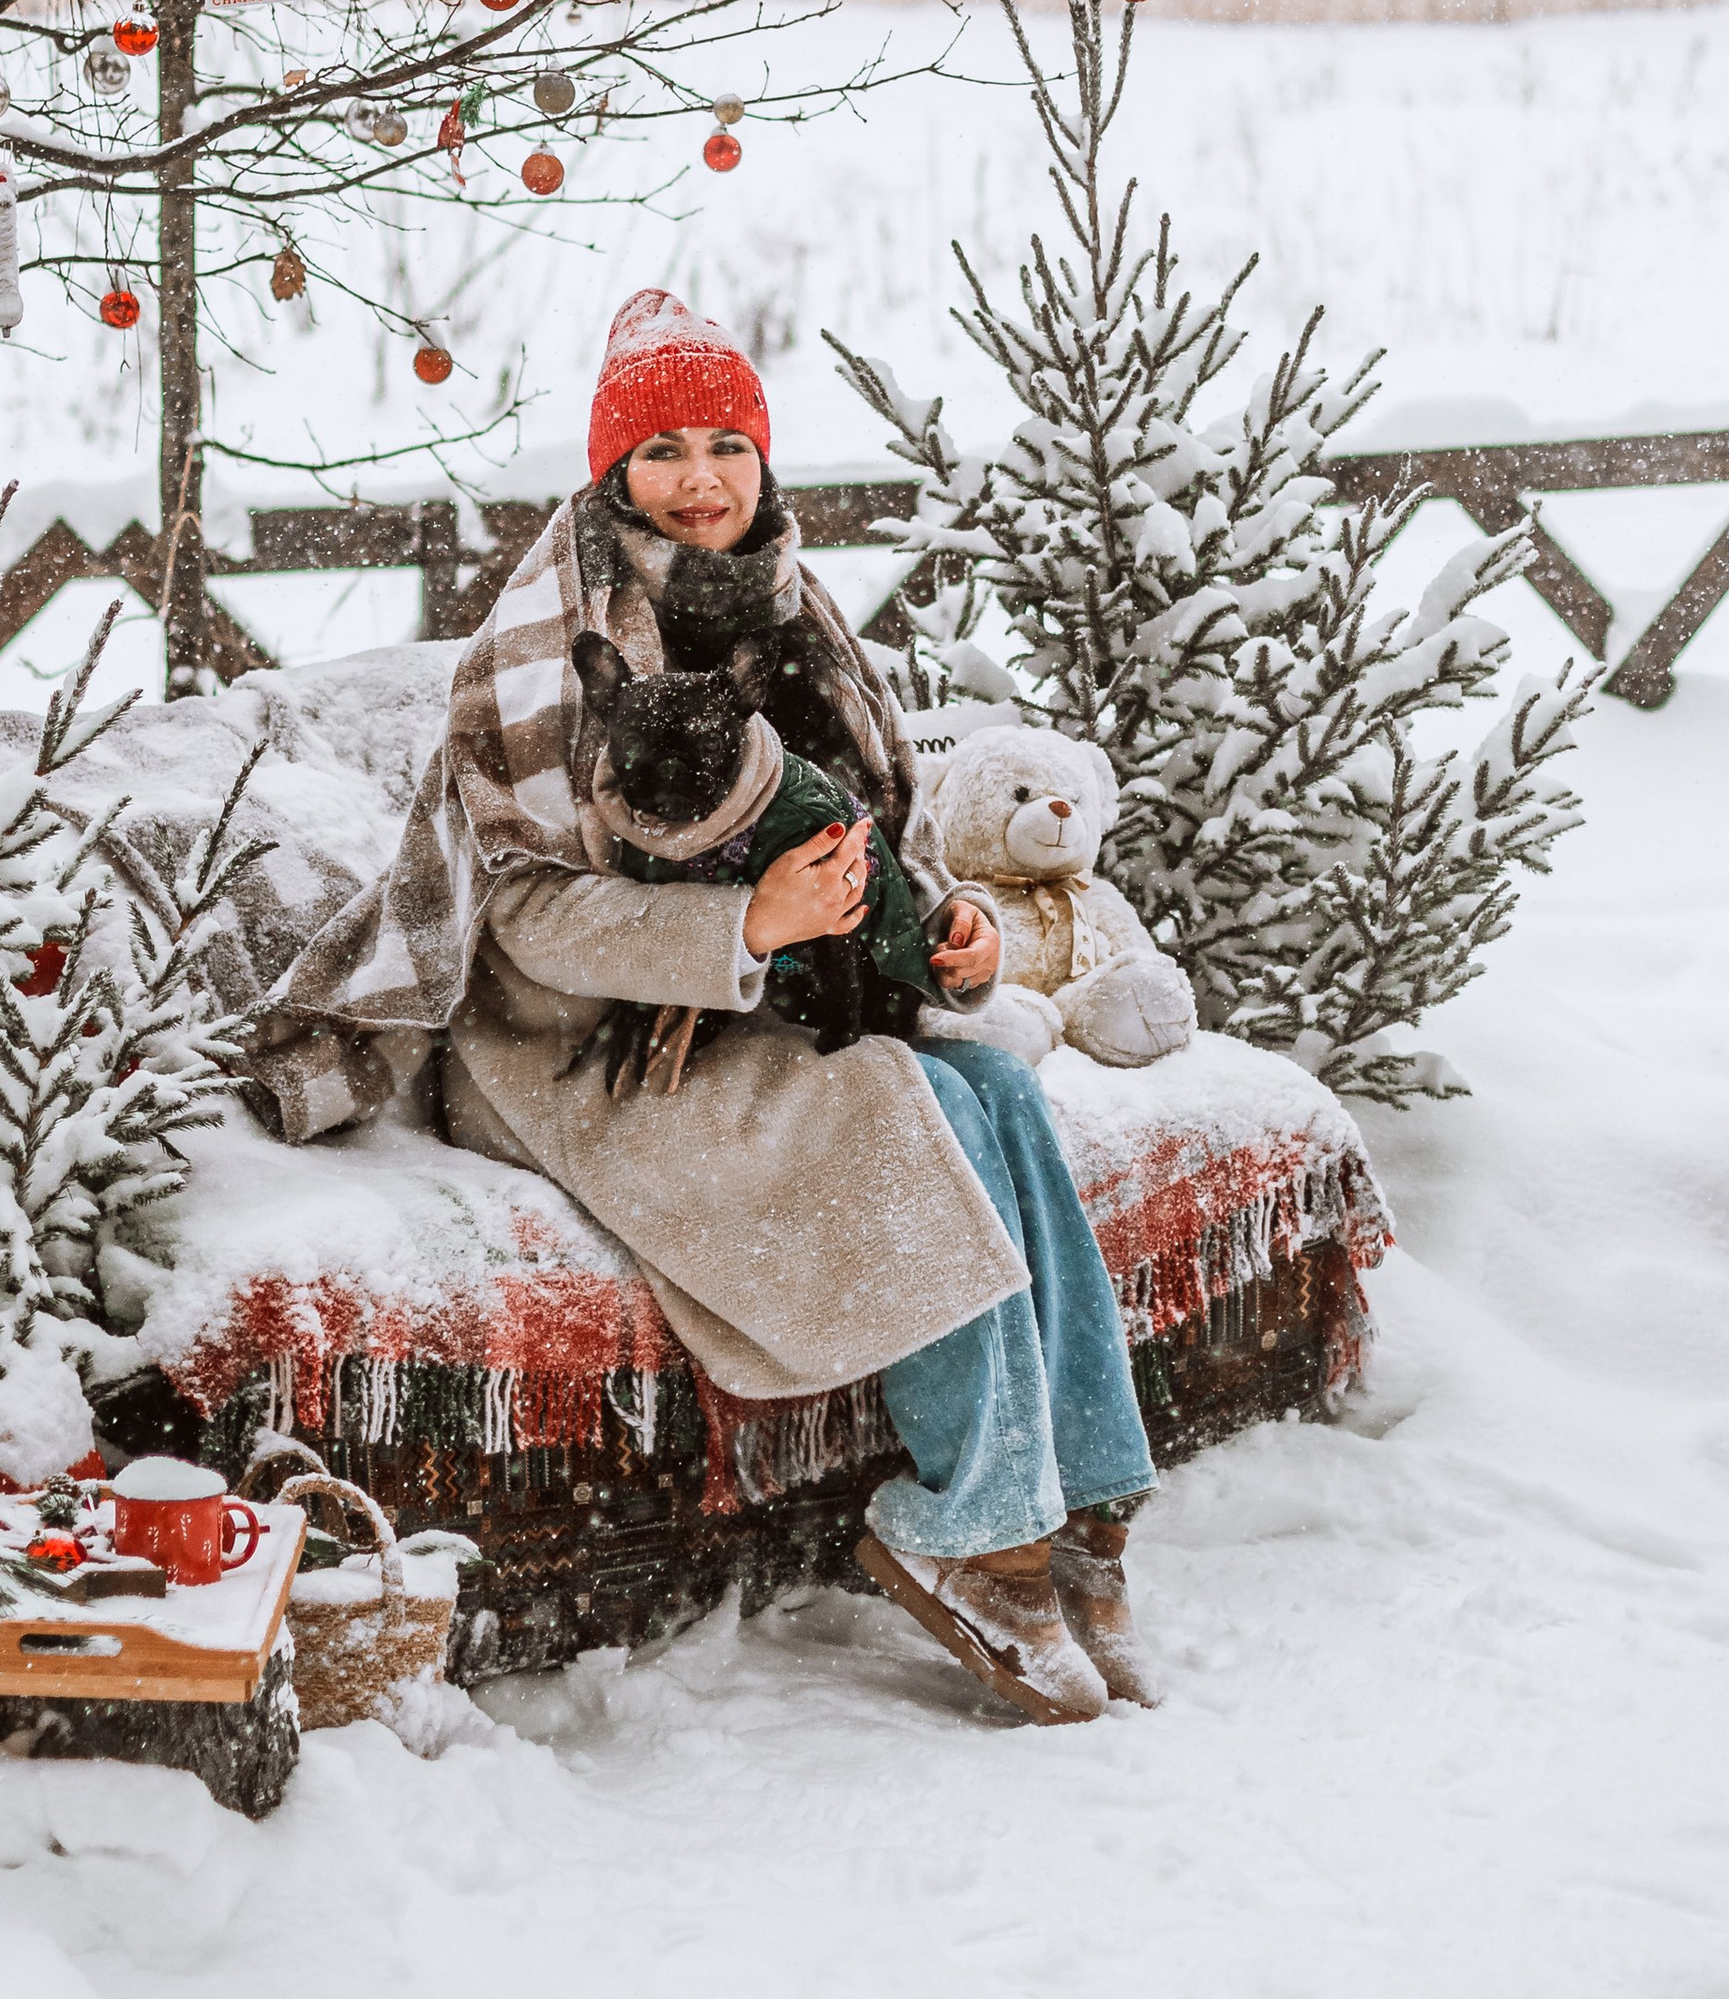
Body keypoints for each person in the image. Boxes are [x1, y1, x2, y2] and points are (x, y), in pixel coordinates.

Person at [249, 290, 1159, 1721]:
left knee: (998, 1085)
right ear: (614, 468)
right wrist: (749, 921)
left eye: (727, 442)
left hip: (746, 994)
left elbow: (855, 820)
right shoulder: (542, 647)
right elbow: (534, 914)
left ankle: (1085, 1500)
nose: (702, 479)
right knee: (890, 1100)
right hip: (563, 1034)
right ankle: (976, 1530)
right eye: (664, 447)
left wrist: (944, 932)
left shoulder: (791, 600)